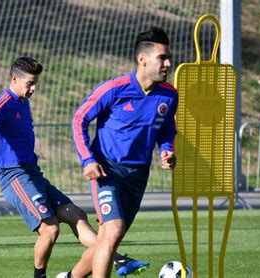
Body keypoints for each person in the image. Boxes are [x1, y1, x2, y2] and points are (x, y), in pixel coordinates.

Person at [0, 57, 128, 278]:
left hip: (32, 173)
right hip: (14, 175)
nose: (33, 88)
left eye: (35, 83)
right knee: (50, 229)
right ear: (14, 79)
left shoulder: (23, 102)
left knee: (76, 215)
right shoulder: (3, 102)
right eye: (29, 83)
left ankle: (118, 259)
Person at [70, 26, 178, 277]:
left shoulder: (170, 95)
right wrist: (88, 159)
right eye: (162, 57)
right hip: (107, 171)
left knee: (108, 239)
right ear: (142, 59)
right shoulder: (114, 89)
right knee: (114, 231)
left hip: (138, 176)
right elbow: (79, 119)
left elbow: (166, 130)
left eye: (167, 57)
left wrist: (166, 150)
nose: (168, 63)